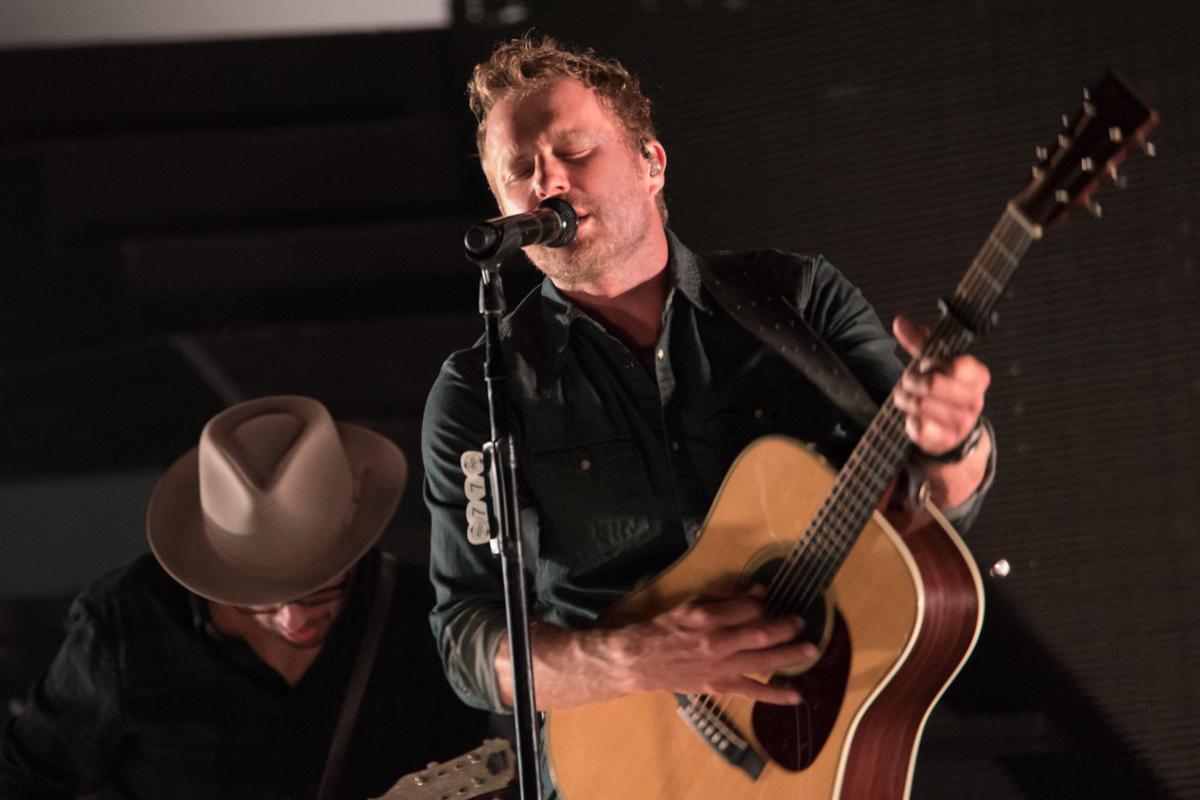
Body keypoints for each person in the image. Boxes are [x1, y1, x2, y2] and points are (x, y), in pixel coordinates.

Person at [423, 33, 993, 756]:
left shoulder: (797, 300)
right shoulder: (480, 388)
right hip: (627, 763)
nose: (548, 184)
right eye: (519, 171)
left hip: (814, 732)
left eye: (574, 151)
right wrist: (637, 658)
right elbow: (468, 642)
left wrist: (953, 442)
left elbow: (925, 507)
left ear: (651, 163)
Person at [1, 395, 490, 799]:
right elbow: (25, 781)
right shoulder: (125, 624)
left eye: (322, 588)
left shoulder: (415, 617)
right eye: (255, 599)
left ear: (354, 542)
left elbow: (474, 773)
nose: (293, 618)